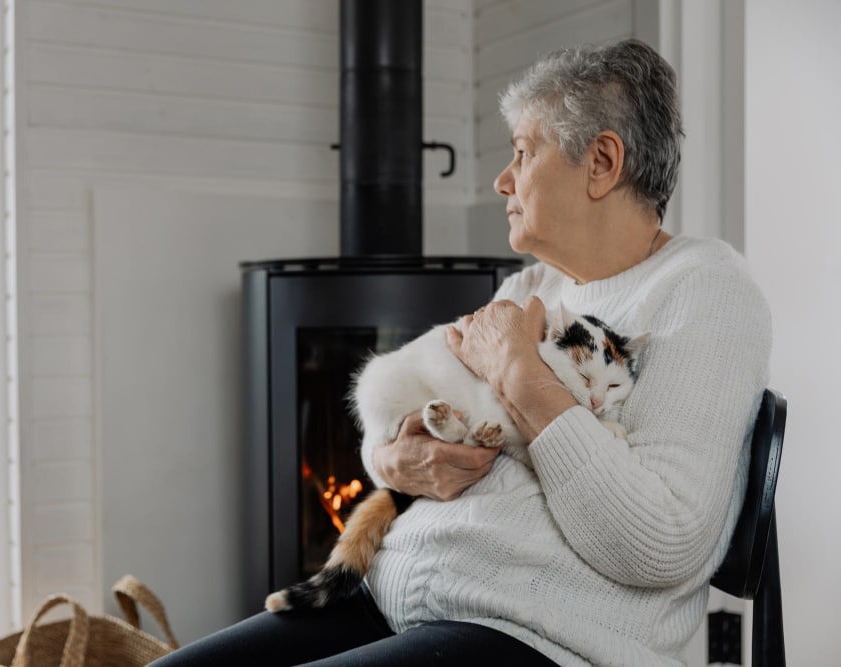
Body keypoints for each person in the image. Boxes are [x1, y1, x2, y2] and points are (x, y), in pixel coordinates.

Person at [149, 38, 771, 667]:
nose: (503, 180)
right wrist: (394, 456)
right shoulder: (531, 287)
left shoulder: (705, 291)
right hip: (392, 595)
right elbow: (411, 401)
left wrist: (519, 370)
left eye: (524, 153)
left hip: (534, 635)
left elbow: (662, 544)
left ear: (602, 163)